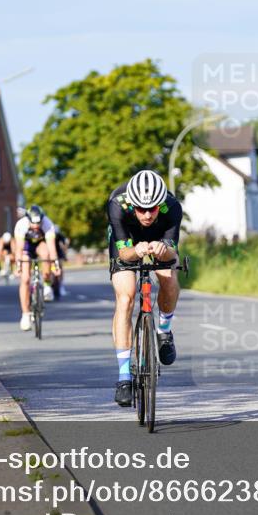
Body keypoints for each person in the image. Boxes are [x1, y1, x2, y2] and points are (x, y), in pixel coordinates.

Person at [106, 169, 183, 407]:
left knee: (169, 277)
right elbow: (124, 253)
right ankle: (124, 377)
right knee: (126, 297)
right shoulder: (117, 205)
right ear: (133, 204)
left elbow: (173, 254)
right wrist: (136, 250)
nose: (147, 215)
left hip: (160, 239)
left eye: (152, 209)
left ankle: (164, 330)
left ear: (160, 204)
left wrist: (163, 248)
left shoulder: (172, 207)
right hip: (127, 241)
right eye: (141, 209)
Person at [14, 205, 61, 330]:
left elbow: (52, 248)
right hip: (26, 247)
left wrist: (55, 265)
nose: (36, 226)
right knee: (25, 279)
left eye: (38, 223)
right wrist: (18, 265)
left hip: (40, 245)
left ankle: (46, 284)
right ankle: (25, 314)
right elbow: (18, 248)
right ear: (28, 219)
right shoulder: (21, 225)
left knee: (46, 254)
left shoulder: (47, 224)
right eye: (33, 224)